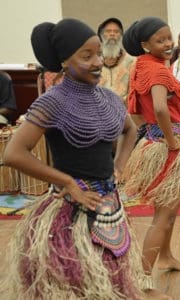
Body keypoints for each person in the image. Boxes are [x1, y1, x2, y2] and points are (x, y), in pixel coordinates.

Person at [0, 18, 161, 299]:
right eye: (86, 56)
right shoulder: (52, 102)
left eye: (98, 53)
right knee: (75, 284)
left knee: (110, 281)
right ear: (64, 61)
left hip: (108, 208)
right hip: (67, 214)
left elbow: (130, 130)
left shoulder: (109, 98)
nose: (97, 61)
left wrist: (119, 167)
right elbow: (12, 154)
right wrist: (68, 182)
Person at [121, 16, 180, 290]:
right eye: (160, 40)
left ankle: (165, 256)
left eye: (169, 38)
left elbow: (136, 109)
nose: (168, 44)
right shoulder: (157, 70)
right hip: (166, 149)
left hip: (154, 143)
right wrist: (172, 140)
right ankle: (143, 280)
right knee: (164, 215)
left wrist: (176, 123)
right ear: (145, 44)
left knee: (167, 208)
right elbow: (159, 108)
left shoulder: (142, 65)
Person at [97, 17, 136, 106]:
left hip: (123, 114)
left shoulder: (131, 62)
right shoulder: (94, 63)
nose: (112, 34)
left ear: (121, 36)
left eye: (116, 32)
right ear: (101, 36)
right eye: (108, 31)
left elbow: (133, 93)